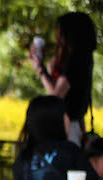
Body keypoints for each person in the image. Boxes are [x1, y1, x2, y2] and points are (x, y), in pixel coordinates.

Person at [31, 12, 96, 145]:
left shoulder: (76, 60)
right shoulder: (84, 58)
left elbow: (56, 96)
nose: (57, 35)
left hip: (68, 127)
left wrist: (40, 69)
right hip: (74, 125)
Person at [13, 95, 88, 180]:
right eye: (65, 115)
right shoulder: (71, 151)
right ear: (57, 120)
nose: (68, 120)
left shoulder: (23, 157)